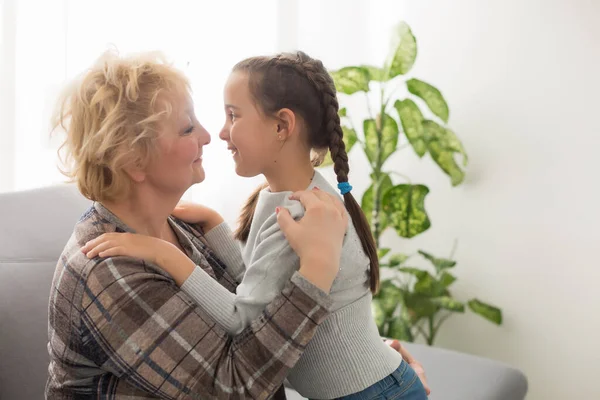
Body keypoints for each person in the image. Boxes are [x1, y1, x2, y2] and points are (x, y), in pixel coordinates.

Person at [82, 51, 431, 399]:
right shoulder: (277, 198)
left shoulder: (301, 214)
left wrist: (164, 254)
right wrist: (217, 227)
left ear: (282, 126)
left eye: (232, 116)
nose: (217, 133)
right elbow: (258, 284)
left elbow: (240, 316)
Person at [46, 50, 348, 399]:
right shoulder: (108, 274)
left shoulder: (180, 226)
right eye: (188, 128)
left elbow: (256, 315)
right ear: (134, 161)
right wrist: (316, 273)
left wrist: (365, 370)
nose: (208, 136)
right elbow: (236, 388)